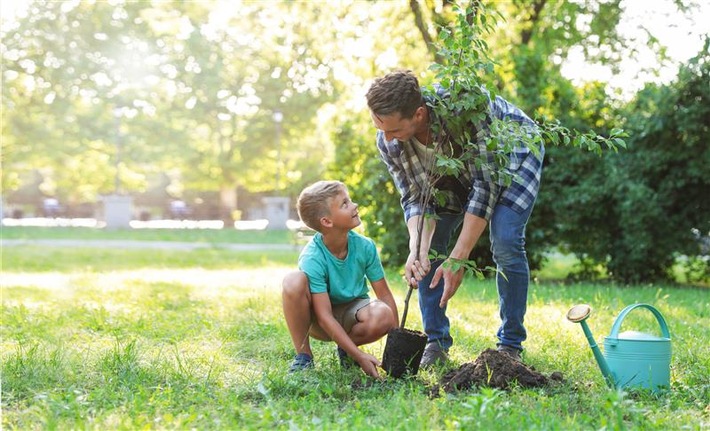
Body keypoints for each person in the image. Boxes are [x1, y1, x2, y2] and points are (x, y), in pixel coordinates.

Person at [366, 70, 544, 366]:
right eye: (379, 128)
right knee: (429, 250)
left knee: (505, 240)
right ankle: (435, 342)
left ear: (419, 114)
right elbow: (414, 197)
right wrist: (416, 251)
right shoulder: (389, 141)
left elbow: (485, 187)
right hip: (453, 173)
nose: (386, 139)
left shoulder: (469, 106)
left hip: (514, 156)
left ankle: (510, 345)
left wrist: (459, 258)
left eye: (393, 130)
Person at [282, 180, 399, 378]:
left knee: (383, 314)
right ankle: (304, 357)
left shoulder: (365, 246)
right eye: (345, 204)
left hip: (353, 313)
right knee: (293, 281)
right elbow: (324, 316)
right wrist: (361, 356)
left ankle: (347, 351)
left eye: (350, 200)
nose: (354, 206)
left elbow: (384, 295)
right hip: (320, 321)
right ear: (327, 221)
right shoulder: (313, 257)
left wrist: (397, 344)